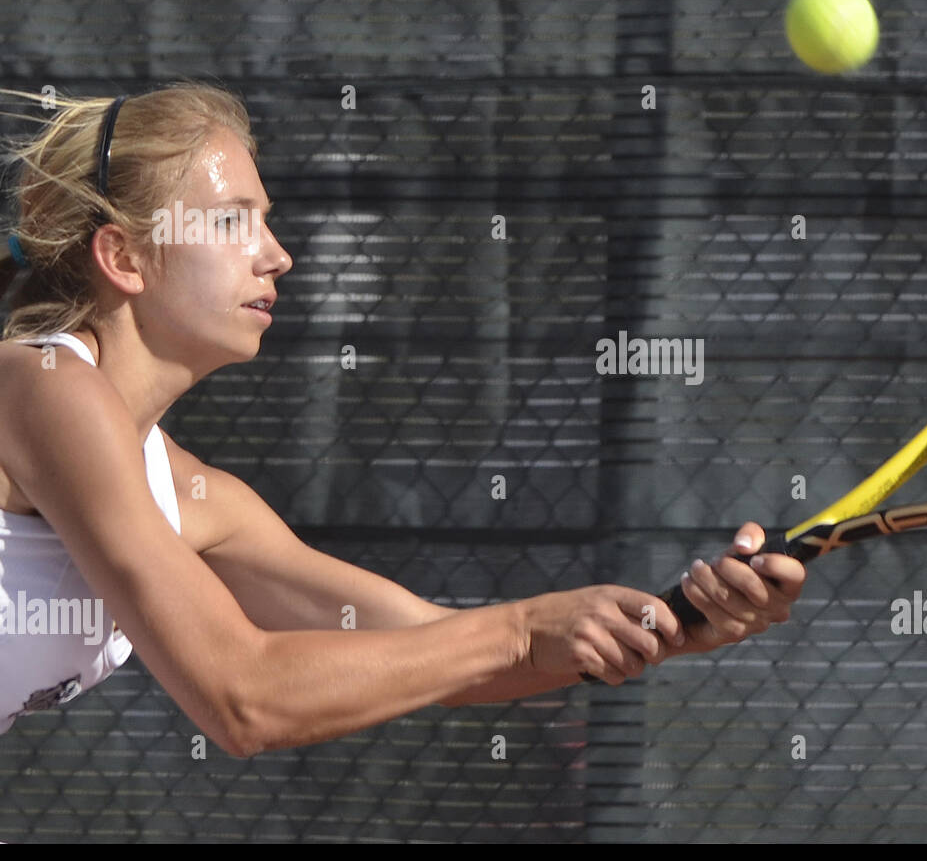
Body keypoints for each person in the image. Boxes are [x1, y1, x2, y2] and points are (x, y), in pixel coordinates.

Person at [0, 82, 806, 756]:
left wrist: (669, 620)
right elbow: (242, 696)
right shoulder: (40, 383)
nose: (277, 255)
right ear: (125, 257)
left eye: (267, 220)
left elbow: (433, 646)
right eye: (232, 220)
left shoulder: (190, 495)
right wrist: (525, 628)